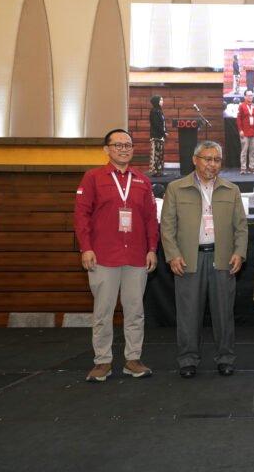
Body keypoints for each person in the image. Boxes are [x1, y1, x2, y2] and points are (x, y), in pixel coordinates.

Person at [74, 129, 159, 382]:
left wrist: (152, 249)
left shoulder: (142, 181)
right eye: (118, 145)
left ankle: (133, 359)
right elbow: (81, 215)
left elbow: (151, 219)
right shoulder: (92, 178)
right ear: (106, 149)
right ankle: (102, 361)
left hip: (136, 256)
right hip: (103, 256)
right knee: (103, 312)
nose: (124, 149)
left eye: (128, 145)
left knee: (135, 311)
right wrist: (86, 247)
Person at [160, 141, 248, 379]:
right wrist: (173, 255)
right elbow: (167, 227)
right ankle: (188, 360)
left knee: (224, 314)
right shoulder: (176, 188)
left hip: (223, 259)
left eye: (217, 160)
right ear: (195, 160)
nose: (212, 164)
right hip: (188, 259)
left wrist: (239, 252)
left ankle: (226, 358)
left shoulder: (231, 190)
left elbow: (241, 227)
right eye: (207, 159)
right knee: (188, 314)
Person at [237, 89, 254, 174]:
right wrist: (240, 130)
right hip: (245, 132)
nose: (250, 97)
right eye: (249, 95)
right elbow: (239, 119)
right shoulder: (241, 106)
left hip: (253, 132)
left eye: (251, 95)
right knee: (244, 151)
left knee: (252, 151)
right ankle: (243, 168)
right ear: (245, 96)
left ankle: (251, 167)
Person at [149, 95, 167, 176]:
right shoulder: (153, 111)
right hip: (156, 135)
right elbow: (156, 124)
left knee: (160, 153)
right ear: (156, 101)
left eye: (162, 100)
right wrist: (163, 132)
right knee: (155, 153)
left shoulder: (160, 110)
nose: (162, 102)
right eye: (161, 100)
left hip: (161, 135)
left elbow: (163, 123)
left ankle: (159, 170)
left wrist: (165, 131)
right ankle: (154, 171)